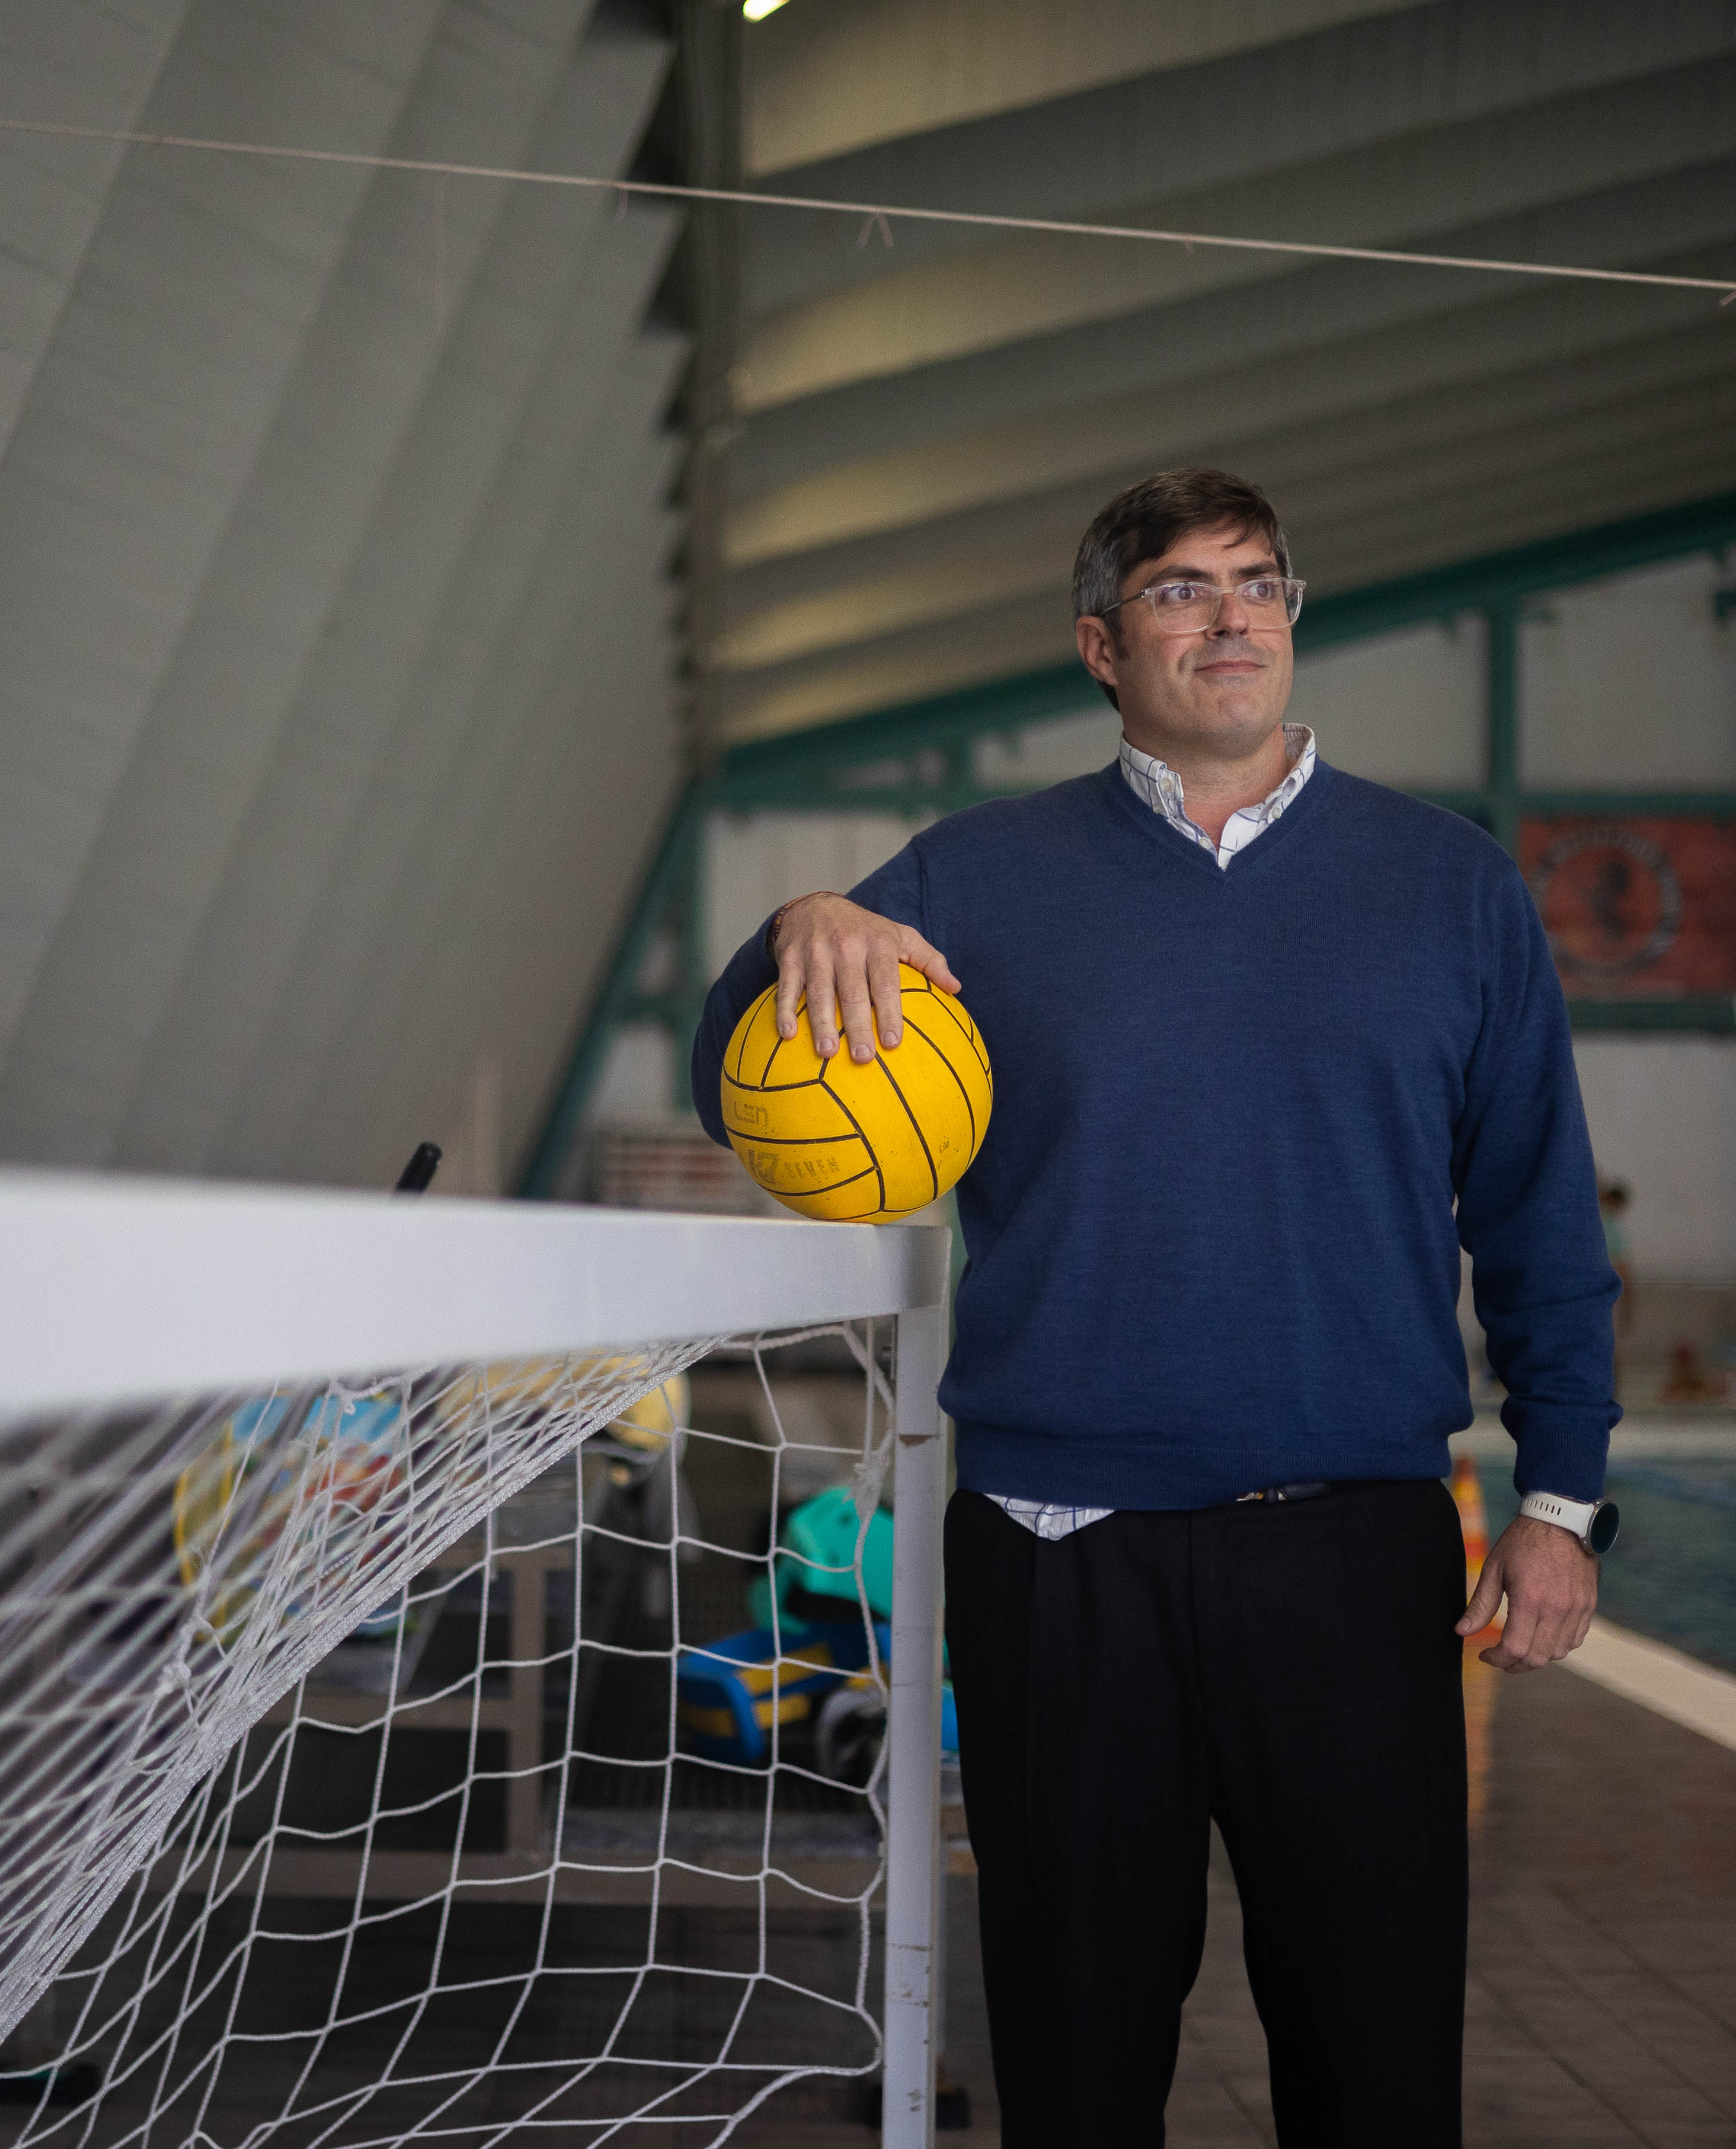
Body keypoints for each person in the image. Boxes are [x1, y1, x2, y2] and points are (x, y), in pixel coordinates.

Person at [692, 469, 1619, 2147]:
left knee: (1377, 2057)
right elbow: (730, 1066)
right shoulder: (969, 883)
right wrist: (797, 930)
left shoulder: (1449, 887)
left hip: (1347, 1551)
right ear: (1100, 645)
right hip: (1061, 1557)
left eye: (1258, 582)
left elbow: (1537, 1212)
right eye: (1182, 591)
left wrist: (1559, 1501)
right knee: (1074, 2057)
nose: (1232, 616)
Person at [1601, 1179, 1638, 1387]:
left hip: (1599, 1293)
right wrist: (1628, 1304)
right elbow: (1624, 1269)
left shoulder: (1594, 1221)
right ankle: (1610, 1386)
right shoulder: (1611, 1227)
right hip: (1607, 1294)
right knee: (1611, 1344)